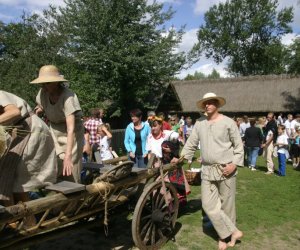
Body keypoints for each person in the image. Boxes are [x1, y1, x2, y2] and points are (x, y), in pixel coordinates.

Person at [173, 92, 244, 250]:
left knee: (227, 205)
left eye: (211, 102)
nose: (207, 105)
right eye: (205, 102)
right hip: (207, 170)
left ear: (217, 104)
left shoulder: (228, 122)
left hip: (227, 169)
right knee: (208, 204)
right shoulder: (200, 123)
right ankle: (233, 231)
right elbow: (191, 143)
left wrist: (234, 165)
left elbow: (239, 146)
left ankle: (223, 237)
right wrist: (181, 158)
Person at [0, 91, 57, 206]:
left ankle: (26, 217)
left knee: (16, 177)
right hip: (20, 131)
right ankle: (14, 218)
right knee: (7, 174)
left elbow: (14, 112)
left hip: (31, 129)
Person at [31, 65, 84, 183]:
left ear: (56, 82)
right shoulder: (43, 93)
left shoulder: (68, 97)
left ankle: (75, 193)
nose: (44, 86)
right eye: (42, 84)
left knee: (70, 166)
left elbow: (71, 129)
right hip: (54, 129)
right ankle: (57, 191)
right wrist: (38, 111)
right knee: (53, 162)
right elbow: (41, 106)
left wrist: (68, 156)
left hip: (72, 132)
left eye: (47, 83)